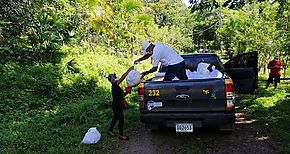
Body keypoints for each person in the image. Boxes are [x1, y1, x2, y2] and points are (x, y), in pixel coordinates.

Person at [107, 66, 134, 140]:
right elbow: (122, 77)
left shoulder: (116, 86)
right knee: (121, 120)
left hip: (117, 105)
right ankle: (121, 135)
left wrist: (127, 92)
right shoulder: (115, 85)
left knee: (116, 118)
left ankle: (110, 130)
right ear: (112, 80)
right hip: (117, 105)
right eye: (114, 77)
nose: (116, 77)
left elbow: (121, 95)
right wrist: (129, 70)